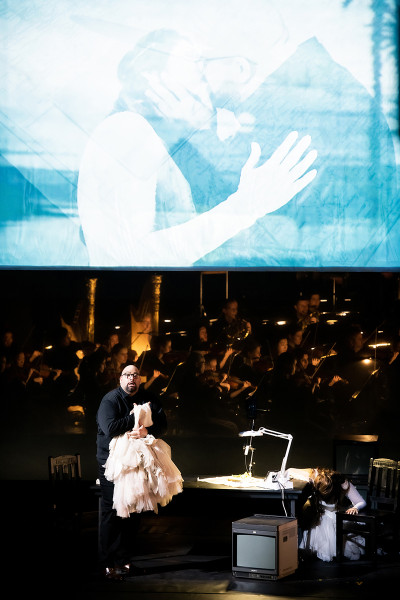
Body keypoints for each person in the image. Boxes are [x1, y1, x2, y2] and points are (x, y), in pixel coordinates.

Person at [77, 28, 318, 267]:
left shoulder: (156, 139)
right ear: (153, 77)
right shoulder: (127, 129)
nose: (202, 69)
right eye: (192, 59)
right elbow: (130, 258)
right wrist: (245, 207)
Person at [96, 362, 168, 580]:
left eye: (135, 375)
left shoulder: (149, 397)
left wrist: (147, 428)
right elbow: (109, 428)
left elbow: (162, 424)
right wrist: (136, 416)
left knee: (133, 512)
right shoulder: (110, 400)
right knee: (112, 513)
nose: (131, 379)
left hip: (137, 461)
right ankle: (108, 564)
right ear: (120, 379)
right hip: (112, 464)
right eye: (127, 375)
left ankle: (124, 562)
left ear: (140, 379)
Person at [286, 467, 366, 562]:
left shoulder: (343, 483)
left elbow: (361, 502)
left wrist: (355, 507)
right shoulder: (315, 477)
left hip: (337, 514)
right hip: (321, 516)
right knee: (319, 527)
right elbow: (290, 470)